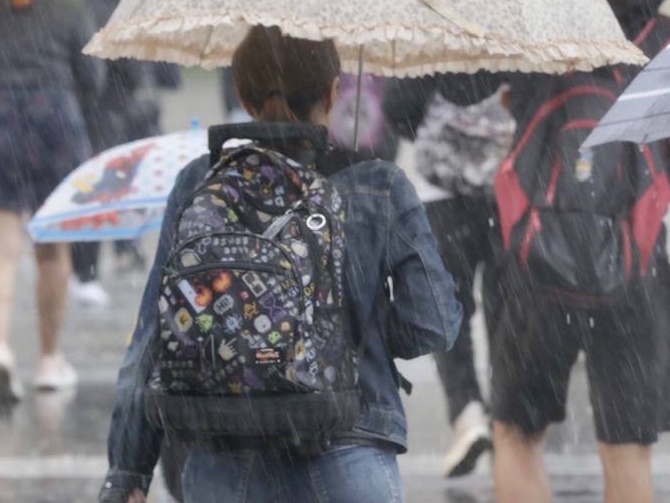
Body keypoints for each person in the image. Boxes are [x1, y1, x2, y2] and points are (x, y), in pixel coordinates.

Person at [100, 26, 461, 503]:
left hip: (224, 461)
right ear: (334, 94)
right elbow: (433, 324)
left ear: (244, 98)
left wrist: (128, 472)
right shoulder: (378, 186)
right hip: (349, 452)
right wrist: (352, 334)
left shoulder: (200, 183)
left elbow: (150, 339)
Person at [438, 0, 670, 503]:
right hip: (635, 265)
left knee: (517, 434)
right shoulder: (667, 38)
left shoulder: (534, 34)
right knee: (626, 449)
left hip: (534, 264)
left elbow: (457, 88)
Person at [0, 0, 106, 404]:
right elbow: (92, 78)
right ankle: (48, 359)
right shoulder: (72, 6)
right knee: (51, 251)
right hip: (54, 124)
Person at [383, 76, 513, 477]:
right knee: (504, 305)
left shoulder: (440, 39)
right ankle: (509, 414)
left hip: (441, 196)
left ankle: (467, 413)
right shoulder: (515, 35)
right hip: (505, 192)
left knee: (448, 308)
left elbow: (397, 108)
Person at [62, 0, 178, 305]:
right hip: (112, 111)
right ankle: (119, 250)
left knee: (78, 189)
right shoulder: (114, 3)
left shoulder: (61, 2)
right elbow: (131, 67)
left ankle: (77, 264)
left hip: (68, 109)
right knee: (111, 184)